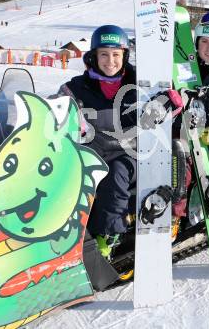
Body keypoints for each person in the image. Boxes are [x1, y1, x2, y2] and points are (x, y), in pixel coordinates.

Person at [54, 24, 138, 258]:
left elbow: (161, 104)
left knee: (114, 173)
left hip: (128, 155)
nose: (110, 61)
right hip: (91, 153)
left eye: (116, 55)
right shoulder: (76, 88)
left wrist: (170, 101)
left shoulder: (139, 87)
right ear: (92, 57)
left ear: (124, 57)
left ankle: (107, 236)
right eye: (104, 54)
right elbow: (55, 106)